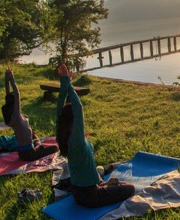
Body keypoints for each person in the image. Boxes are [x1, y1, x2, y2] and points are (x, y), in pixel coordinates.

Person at [55, 64, 135, 208]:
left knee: (100, 170)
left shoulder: (62, 134)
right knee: (130, 188)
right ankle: (105, 185)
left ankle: (105, 183)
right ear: (74, 121)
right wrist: (67, 80)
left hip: (79, 190)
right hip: (90, 196)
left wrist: (64, 82)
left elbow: (59, 107)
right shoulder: (76, 140)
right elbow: (78, 107)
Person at [2, 67, 59, 162]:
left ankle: (38, 146)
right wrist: (12, 78)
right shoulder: (16, 116)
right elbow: (16, 93)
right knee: (55, 148)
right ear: (14, 105)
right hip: (29, 154)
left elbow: (8, 96)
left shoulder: (12, 117)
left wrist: (6, 80)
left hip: (25, 151)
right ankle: (39, 147)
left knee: (36, 138)